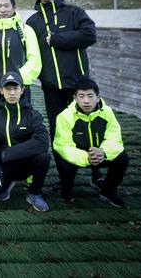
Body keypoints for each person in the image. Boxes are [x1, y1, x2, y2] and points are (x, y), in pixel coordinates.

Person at [25, 0, 96, 144]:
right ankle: (65, 171)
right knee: (58, 132)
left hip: (77, 85)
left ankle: (94, 168)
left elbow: (89, 35)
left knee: (84, 128)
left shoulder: (74, 12)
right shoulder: (32, 22)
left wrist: (58, 39)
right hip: (51, 87)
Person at [54, 79, 129, 207]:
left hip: (100, 154)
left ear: (98, 98)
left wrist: (103, 152)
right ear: (75, 98)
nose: (86, 101)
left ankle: (108, 190)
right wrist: (85, 157)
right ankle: (66, 190)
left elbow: (114, 138)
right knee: (62, 159)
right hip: (78, 155)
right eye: (81, 96)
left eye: (90, 96)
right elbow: (63, 145)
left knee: (122, 158)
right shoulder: (64, 116)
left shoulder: (107, 112)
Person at [0, 71, 50, 212]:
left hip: (25, 163)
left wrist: (8, 153)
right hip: (5, 164)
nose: (12, 93)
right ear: (1, 91)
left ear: (22, 90)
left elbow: (43, 141)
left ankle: (34, 193)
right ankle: (8, 182)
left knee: (43, 157)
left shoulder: (32, 114)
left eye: (16, 88)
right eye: (8, 89)